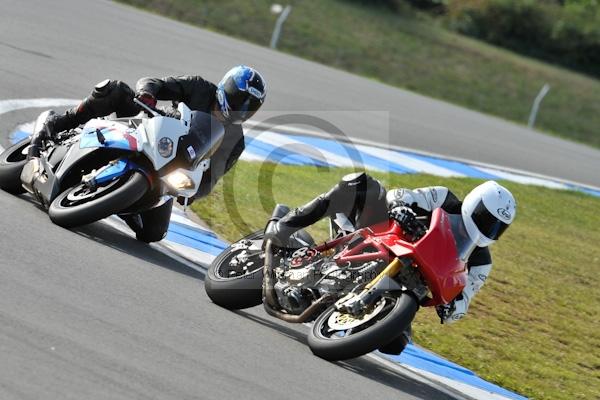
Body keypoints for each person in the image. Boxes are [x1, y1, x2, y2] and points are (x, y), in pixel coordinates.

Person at [265, 172, 516, 354]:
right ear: (474, 203)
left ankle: (345, 311)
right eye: (485, 218)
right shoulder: (444, 198)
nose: (488, 227)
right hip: (380, 236)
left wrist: (453, 307)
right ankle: (285, 225)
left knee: (396, 343)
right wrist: (400, 207)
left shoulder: (481, 262)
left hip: (407, 281)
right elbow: (403, 196)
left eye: (497, 226)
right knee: (361, 183)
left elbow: (466, 297)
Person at [27, 65, 266, 242]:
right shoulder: (200, 87)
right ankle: (59, 123)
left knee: (152, 234)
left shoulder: (236, 141)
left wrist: (191, 193)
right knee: (115, 90)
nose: (241, 108)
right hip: (149, 130)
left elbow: (211, 179)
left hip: (170, 172)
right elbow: (154, 82)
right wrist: (148, 94)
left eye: (249, 106)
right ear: (227, 86)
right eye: (238, 98)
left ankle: (119, 199)